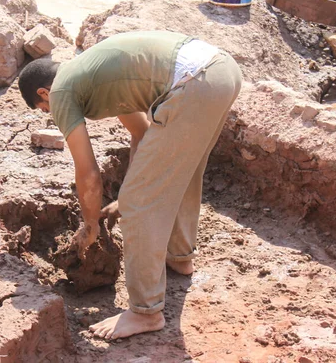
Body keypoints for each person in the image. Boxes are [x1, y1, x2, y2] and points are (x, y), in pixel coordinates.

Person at [18, 31, 243, 340]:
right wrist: (130, 190)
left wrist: (91, 224)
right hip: (220, 72)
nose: (52, 114)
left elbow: (88, 173)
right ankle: (179, 258)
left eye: (45, 111)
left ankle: (145, 313)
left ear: (44, 93)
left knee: (138, 206)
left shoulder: (61, 92)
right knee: (181, 172)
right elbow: (142, 133)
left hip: (194, 84)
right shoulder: (94, 71)